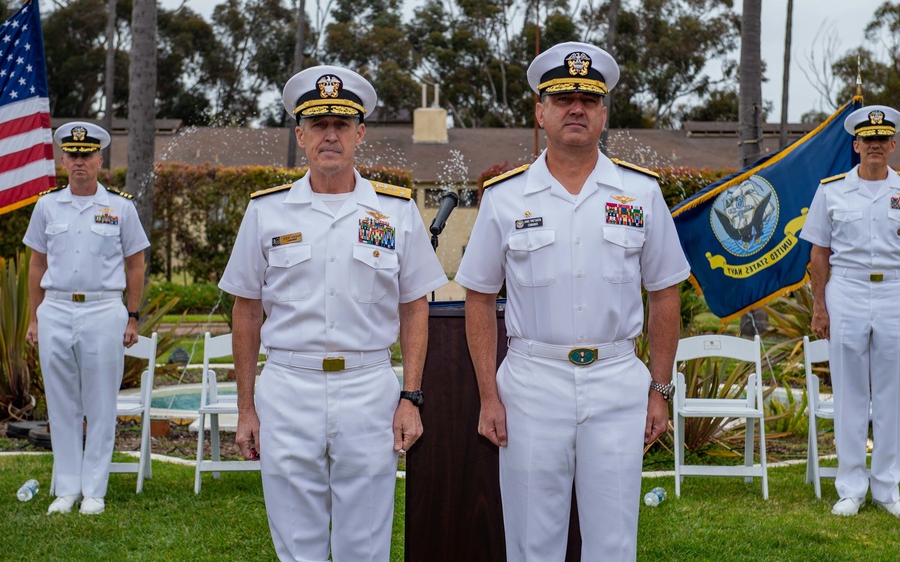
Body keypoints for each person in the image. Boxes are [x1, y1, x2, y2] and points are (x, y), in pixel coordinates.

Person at [455, 42, 690, 561]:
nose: (576, 108)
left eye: (588, 98)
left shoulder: (641, 193)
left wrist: (659, 390)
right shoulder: (505, 196)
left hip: (616, 383)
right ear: (541, 112)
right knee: (532, 542)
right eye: (562, 98)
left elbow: (665, 293)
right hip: (532, 385)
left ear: (604, 112)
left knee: (612, 543)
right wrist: (489, 396)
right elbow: (478, 297)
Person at [219, 65, 447, 562]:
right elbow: (246, 311)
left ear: (359, 133)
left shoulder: (396, 210)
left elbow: (414, 309)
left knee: (364, 543)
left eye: (341, 125)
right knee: (296, 542)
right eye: (318, 124)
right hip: (287, 387)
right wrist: (246, 407)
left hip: (368, 389)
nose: (330, 135)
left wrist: (410, 395)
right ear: (300, 134)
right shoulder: (266, 211)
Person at [801, 105, 900, 519]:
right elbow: (819, 253)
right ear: (856, 145)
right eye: (868, 140)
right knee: (848, 393)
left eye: (882, 139)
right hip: (845, 290)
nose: (875, 146)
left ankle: (886, 489)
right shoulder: (831, 190)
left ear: (893, 144)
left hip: (897, 293)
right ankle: (850, 487)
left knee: (889, 395)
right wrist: (820, 306)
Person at [23, 121, 150, 515]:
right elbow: (36, 264)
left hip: (102, 310)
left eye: (87, 155)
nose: (80, 162)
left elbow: (136, 264)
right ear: (63, 160)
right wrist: (34, 319)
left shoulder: (121, 208)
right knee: (61, 404)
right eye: (73, 155)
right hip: (56, 308)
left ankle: (94, 490)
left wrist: (132, 317)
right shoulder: (46, 206)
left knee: (99, 404)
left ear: (99, 160)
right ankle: (67, 489)